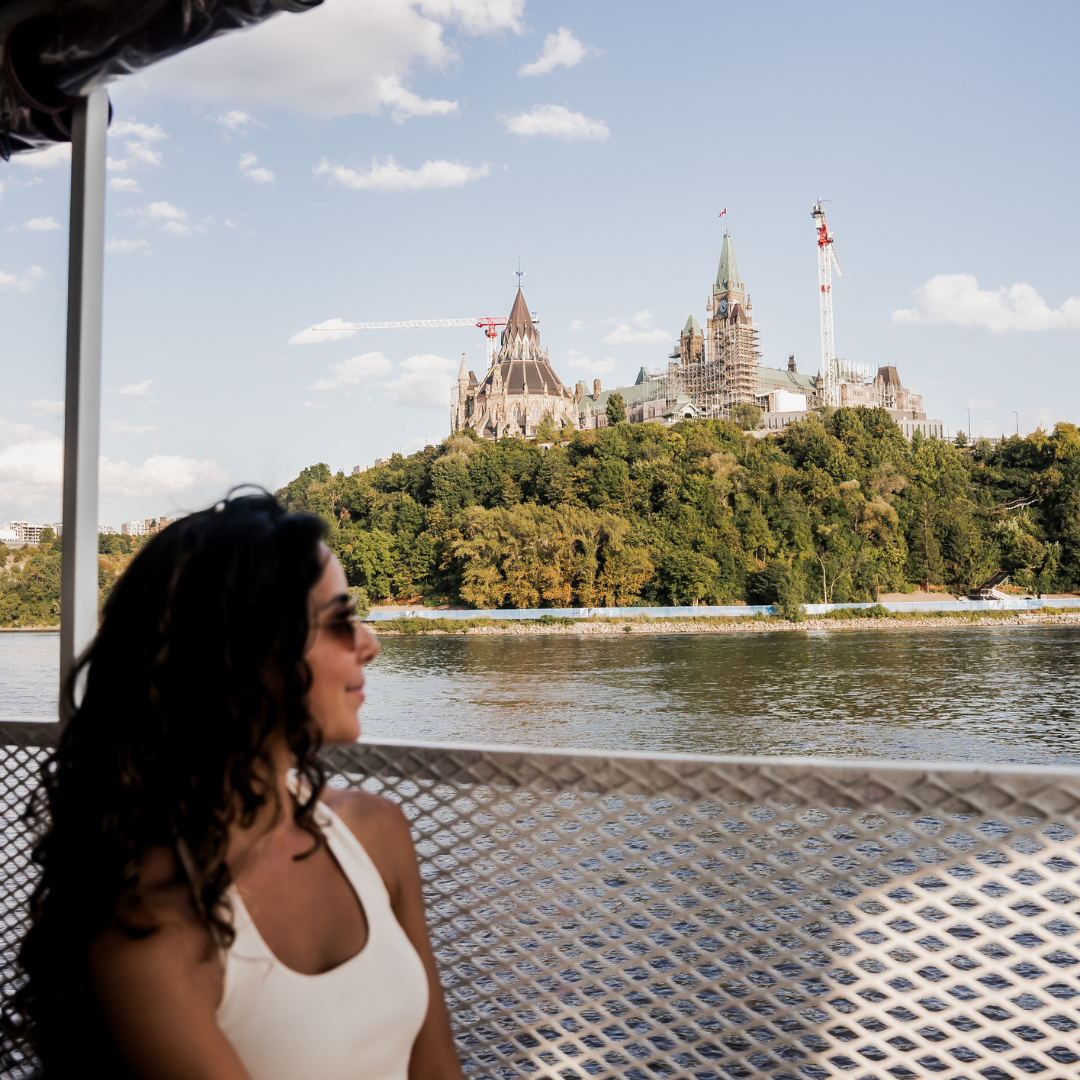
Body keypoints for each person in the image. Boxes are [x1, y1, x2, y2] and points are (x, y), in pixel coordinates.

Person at [8, 492, 463, 1080]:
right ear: (243, 656)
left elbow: (437, 1069)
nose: (370, 644)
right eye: (339, 622)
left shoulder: (376, 834)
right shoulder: (151, 924)